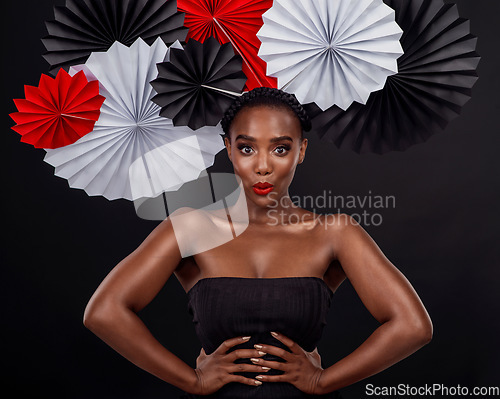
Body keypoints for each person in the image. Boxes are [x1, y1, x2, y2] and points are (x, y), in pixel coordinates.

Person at [83, 87, 433, 398]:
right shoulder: (190, 227)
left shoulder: (334, 232)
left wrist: (322, 381)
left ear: (301, 151)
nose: (263, 166)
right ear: (229, 150)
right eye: (247, 147)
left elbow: (412, 326)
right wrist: (192, 381)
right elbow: (104, 312)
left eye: (280, 148)